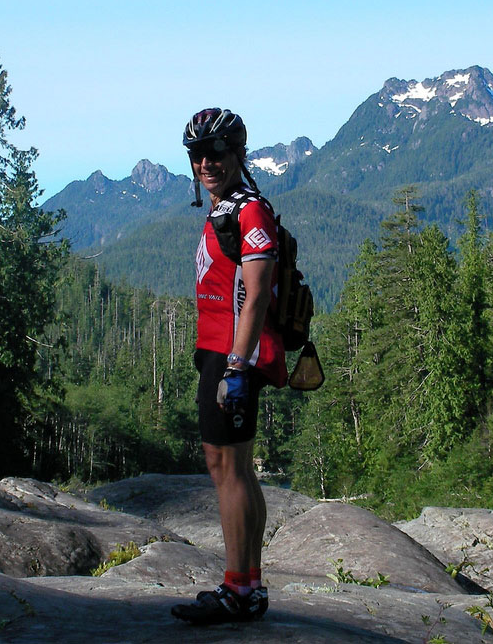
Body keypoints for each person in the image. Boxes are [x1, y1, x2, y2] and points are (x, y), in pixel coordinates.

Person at [170, 108, 287, 625]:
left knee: (227, 468)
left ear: (237, 154)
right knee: (234, 468)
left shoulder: (249, 211)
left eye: (216, 152)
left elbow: (257, 294)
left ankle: (238, 590)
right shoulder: (226, 208)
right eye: (197, 154)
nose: (206, 163)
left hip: (232, 355)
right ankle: (250, 585)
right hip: (220, 351)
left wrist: (236, 369)